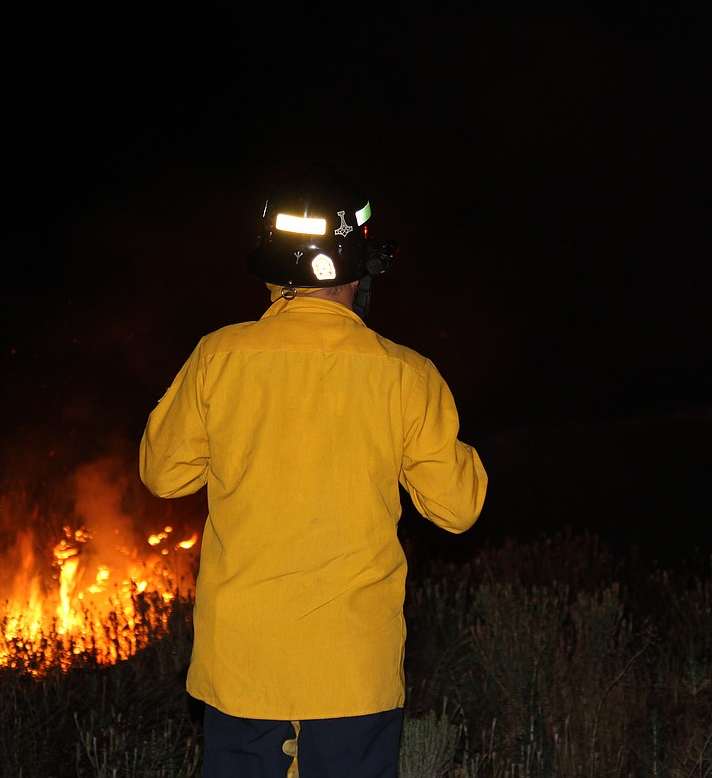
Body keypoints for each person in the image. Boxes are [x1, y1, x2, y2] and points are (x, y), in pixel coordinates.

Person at [138, 162, 488, 778]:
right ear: (360, 267)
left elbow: (163, 475)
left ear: (271, 267)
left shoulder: (218, 357)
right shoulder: (407, 375)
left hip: (241, 669)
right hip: (352, 673)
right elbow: (459, 509)